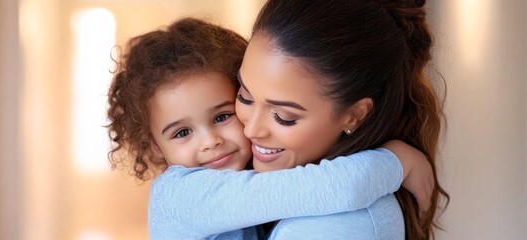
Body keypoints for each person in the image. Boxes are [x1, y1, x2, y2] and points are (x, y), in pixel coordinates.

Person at [107, 17, 434, 239]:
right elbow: (326, 188)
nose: (210, 141)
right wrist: (397, 160)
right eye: (182, 133)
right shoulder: (182, 194)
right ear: (152, 147)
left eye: (222, 116)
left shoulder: (253, 178)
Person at [232, 0, 448, 238]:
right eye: (245, 97)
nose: (251, 129)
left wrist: (393, 163)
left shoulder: (333, 229)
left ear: (354, 116)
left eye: (284, 117)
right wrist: (394, 162)